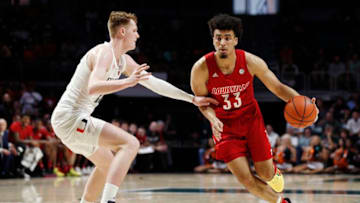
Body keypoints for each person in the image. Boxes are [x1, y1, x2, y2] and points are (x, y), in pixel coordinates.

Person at [50, 11, 218, 203]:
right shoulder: (104, 52)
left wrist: (191, 99)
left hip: (72, 121)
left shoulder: (123, 61)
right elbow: (93, 86)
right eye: (134, 30)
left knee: (108, 165)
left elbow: (154, 84)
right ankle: (109, 201)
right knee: (131, 143)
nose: (137, 35)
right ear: (122, 31)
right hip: (70, 117)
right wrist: (128, 82)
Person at [190, 14, 318, 203]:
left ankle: (273, 171)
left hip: (251, 120)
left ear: (235, 40)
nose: (222, 42)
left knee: (265, 173)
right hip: (224, 127)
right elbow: (202, 102)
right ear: (213, 40)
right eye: (218, 38)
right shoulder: (201, 69)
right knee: (245, 179)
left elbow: (278, 88)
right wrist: (212, 118)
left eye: (227, 38)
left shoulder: (250, 61)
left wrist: (305, 103)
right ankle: (281, 201)